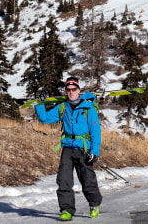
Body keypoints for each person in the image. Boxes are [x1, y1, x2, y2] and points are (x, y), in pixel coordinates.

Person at [35, 77, 103, 221]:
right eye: (68, 90)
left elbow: (95, 131)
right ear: (66, 91)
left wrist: (94, 151)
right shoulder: (63, 107)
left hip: (83, 148)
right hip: (67, 147)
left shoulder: (88, 109)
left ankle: (94, 204)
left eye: (74, 89)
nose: (71, 92)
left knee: (87, 179)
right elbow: (45, 118)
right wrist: (40, 103)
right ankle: (66, 209)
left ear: (78, 90)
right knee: (64, 180)